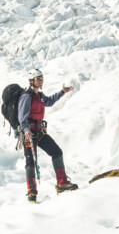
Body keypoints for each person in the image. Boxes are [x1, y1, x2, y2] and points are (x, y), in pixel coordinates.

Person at [18, 68, 77, 202]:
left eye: (41, 79)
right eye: (38, 79)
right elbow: (22, 116)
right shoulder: (26, 96)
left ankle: (62, 183)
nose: (40, 81)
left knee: (56, 152)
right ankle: (31, 192)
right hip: (29, 133)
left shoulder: (39, 95)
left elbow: (49, 102)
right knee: (30, 162)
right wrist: (26, 129)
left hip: (39, 131)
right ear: (31, 81)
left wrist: (62, 92)